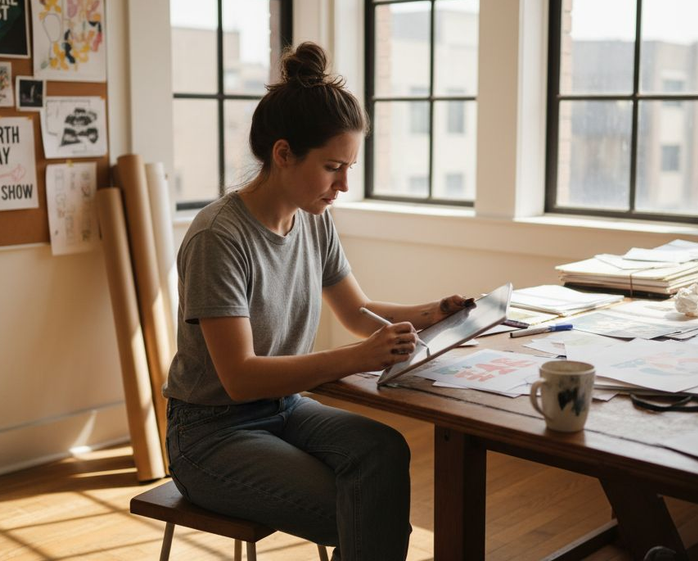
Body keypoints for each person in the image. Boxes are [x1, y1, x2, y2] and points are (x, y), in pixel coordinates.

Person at [163, 41, 469, 561]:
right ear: (283, 154)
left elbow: (358, 313)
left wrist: (432, 313)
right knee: (363, 506)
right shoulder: (219, 237)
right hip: (210, 433)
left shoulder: (314, 219)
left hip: (283, 407)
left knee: (384, 451)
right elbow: (240, 378)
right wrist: (359, 357)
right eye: (333, 167)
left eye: (348, 167)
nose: (343, 184)